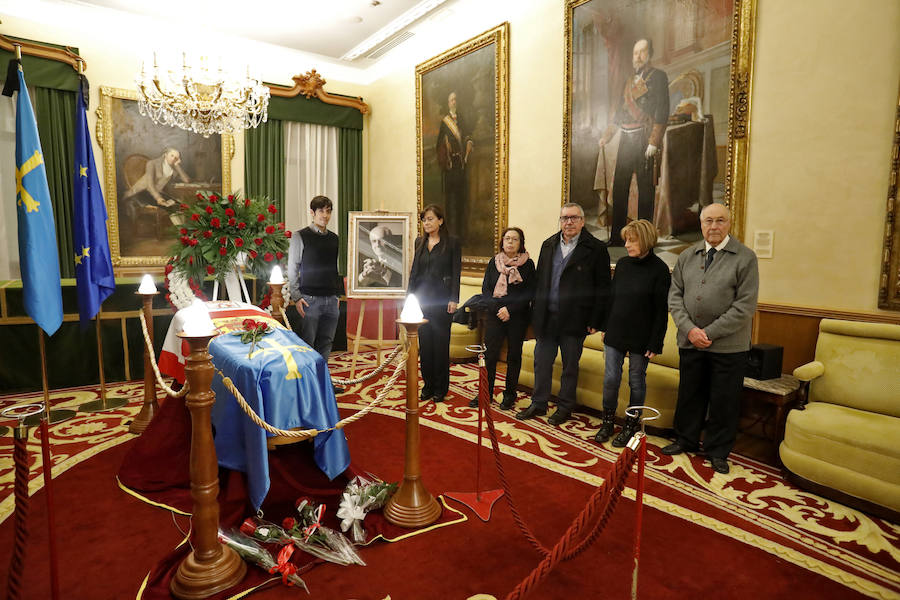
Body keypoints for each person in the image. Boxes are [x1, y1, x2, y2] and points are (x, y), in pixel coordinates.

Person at [663, 203, 758, 474]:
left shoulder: (745, 258)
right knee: (690, 394)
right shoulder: (687, 255)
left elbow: (745, 306)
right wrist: (690, 330)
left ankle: (717, 450)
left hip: (728, 346)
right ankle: (686, 439)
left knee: (723, 400)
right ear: (701, 224)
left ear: (729, 224)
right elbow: (675, 296)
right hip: (689, 341)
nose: (713, 227)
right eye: (708, 221)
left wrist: (708, 333)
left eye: (720, 221)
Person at [517, 203, 611, 426]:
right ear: (560, 221)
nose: (568, 222)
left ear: (582, 220)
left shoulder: (596, 248)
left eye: (573, 218)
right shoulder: (548, 244)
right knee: (542, 362)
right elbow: (541, 282)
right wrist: (535, 314)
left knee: (569, 367)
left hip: (576, 319)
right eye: (564, 218)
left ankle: (565, 407)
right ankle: (539, 403)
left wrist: (597, 321)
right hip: (547, 317)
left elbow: (603, 288)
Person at [594, 219, 670, 447]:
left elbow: (660, 311)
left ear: (645, 240)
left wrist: (655, 342)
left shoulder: (660, 269)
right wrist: (605, 327)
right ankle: (607, 421)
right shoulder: (624, 265)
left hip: (642, 336)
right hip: (616, 331)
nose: (626, 244)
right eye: (626, 239)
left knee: (636, 381)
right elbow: (612, 298)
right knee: (610, 379)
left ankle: (630, 424)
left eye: (631, 240)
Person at [597, 38, 669, 246]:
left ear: (650, 54)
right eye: (635, 53)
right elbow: (619, 113)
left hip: (645, 138)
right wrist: (607, 135)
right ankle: (617, 238)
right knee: (620, 187)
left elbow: (662, 110)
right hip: (626, 140)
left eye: (642, 52)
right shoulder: (629, 82)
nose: (638, 56)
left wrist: (654, 141)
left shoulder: (659, 77)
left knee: (646, 191)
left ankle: (645, 240)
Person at [468, 227, 536, 411]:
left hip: (517, 316)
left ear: (520, 243)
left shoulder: (528, 264)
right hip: (494, 314)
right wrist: (499, 309)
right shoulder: (494, 262)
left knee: (514, 356)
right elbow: (486, 290)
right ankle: (485, 392)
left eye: (514, 239)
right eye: (507, 238)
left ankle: (509, 395)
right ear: (502, 241)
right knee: (489, 355)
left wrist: (510, 309)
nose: (510, 242)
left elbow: (529, 293)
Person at [287, 196, 344, 392]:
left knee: (326, 343)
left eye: (328, 211)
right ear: (312, 213)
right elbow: (292, 268)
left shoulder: (334, 238)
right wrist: (296, 297)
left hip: (331, 299)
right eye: (321, 211)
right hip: (309, 299)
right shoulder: (300, 236)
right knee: (308, 344)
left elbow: (334, 269)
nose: (325, 215)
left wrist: (337, 295)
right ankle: (306, 386)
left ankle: (321, 384)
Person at [408, 204, 461, 404]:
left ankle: (441, 388)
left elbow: (456, 272)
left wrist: (454, 298)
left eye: (430, 219)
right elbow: (414, 272)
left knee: (440, 346)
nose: (427, 223)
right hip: (421, 302)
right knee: (426, 346)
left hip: (442, 302)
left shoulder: (452, 243)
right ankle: (428, 385)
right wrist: (409, 298)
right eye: (424, 219)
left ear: (440, 220)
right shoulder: (419, 242)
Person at [436, 91, 473, 231]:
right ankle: (449, 230)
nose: (454, 102)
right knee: (449, 201)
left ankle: (460, 232)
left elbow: (467, 135)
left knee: (461, 200)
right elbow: (439, 144)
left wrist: (469, 141)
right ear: (448, 103)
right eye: (451, 100)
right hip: (450, 166)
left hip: (461, 164)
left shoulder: (462, 119)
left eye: (455, 99)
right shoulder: (445, 122)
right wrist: (445, 158)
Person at [123, 147, 190, 223]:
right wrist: (158, 198)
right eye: (172, 155)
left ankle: (182, 231)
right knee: (172, 207)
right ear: (165, 155)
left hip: (156, 193)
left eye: (176, 157)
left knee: (182, 207)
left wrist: (178, 166)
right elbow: (150, 185)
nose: (174, 158)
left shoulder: (173, 167)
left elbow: (186, 180)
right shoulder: (152, 163)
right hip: (141, 193)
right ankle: (182, 231)